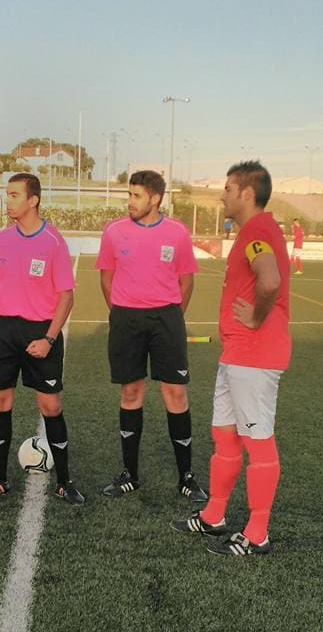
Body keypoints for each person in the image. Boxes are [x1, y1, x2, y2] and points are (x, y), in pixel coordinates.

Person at [171, 160, 290, 556]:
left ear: (246, 193)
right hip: (237, 354)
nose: (222, 195)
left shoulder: (258, 232)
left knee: (258, 443)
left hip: (255, 358)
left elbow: (269, 278)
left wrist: (256, 316)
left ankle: (257, 534)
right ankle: (215, 515)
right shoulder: (252, 233)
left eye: (227, 188)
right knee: (225, 437)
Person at [0, 173, 85, 505]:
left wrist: (49, 338)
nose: (8, 201)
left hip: (40, 331)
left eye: (14, 195)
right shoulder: (2, 240)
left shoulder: (53, 241)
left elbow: (66, 298)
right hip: (3, 330)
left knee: (50, 405)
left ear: (33, 200)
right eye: (7, 195)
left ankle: (64, 482)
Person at [96, 170, 207, 502]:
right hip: (126, 319)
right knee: (131, 392)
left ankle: (186, 477)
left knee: (175, 395)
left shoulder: (177, 233)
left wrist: (172, 318)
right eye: (128, 195)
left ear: (155, 198)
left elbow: (187, 282)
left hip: (167, 319)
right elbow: (106, 278)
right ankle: (130, 474)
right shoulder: (114, 232)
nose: (130, 202)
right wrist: (120, 312)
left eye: (136, 196)